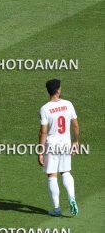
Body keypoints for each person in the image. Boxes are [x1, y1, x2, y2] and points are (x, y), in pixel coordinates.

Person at [38, 79, 79, 216]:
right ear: (58, 91)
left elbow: (43, 132)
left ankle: (57, 209)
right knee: (66, 172)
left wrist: (40, 152)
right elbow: (75, 125)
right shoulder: (68, 104)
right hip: (66, 144)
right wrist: (75, 141)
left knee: (52, 175)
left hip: (51, 145)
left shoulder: (45, 108)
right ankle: (72, 197)